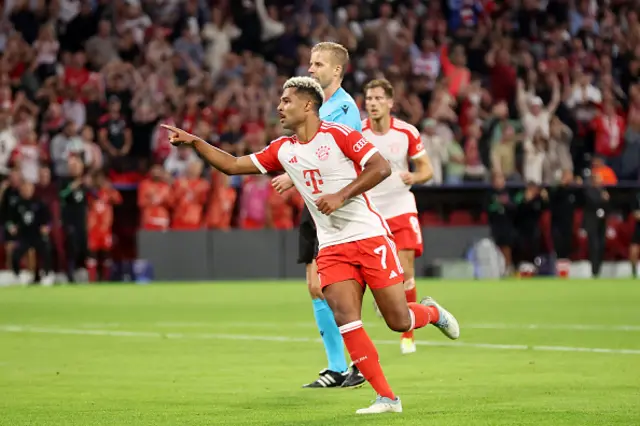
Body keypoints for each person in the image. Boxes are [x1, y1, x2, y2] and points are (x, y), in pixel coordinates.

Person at [161, 76, 460, 414]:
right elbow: (232, 165)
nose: (279, 107)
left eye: (286, 101)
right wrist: (195, 142)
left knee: (398, 320)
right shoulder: (282, 149)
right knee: (346, 317)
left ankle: (432, 312)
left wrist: (342, 194)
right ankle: (387, 397)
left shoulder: (339, 135)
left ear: (307, 105)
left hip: (369, 237)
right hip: (331, 246)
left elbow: (380, 167)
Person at [271, 42, 365, 388]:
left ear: (336, 70)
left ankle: (356, 364)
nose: (311, 69)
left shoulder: (343, 109)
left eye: (318, 64)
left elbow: (331, 154)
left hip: (336, 208)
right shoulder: (319, 106)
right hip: (314, 205)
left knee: (335, 289)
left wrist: (289, 175)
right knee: (316, 287)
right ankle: (339, 366)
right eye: (310, 63)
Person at [360, 79, 434, 354]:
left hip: (401, 206)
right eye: (369, 98)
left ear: (390, 102)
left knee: (405, 271)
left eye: (379, 98)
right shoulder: (358, 132)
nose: (373, 103)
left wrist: (414, 175)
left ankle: (408, 335)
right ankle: (384, 300)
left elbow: (427, 169)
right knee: (374, 272)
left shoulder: (406, 132)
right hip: (370, 211)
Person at [7, 181, 54, 285]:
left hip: (37, 235)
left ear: (32, 190)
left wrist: (46, 227)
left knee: (47, 251)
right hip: (23, 236)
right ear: (21, 190)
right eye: (24, 189)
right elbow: (9, 220)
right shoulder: (16, 204)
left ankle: (46, 274)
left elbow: (49, 220)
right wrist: (11, 227)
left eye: (29, 189)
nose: (27, 191)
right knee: (15, 255)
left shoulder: (39, 203)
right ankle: (18, 276)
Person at [87, 170, 123, 282]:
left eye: (101, 178)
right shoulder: (90, 193)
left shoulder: (107, 192)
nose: (99, 181)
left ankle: (105, 279)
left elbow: (118, 200)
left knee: (106, 254)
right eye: (96, 178)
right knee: (92, 255)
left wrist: (110, 188)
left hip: (105, 229)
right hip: (93, 228)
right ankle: (92, 280)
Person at [60, 155, 89, 283]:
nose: (75, 168)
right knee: (71, 245)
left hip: (82, 219)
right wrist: (71, 188)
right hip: (70, 219)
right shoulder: (64, 182)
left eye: (77, 166)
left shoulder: (84, 183)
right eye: (72, 166)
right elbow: (60, 195)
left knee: (83, 245)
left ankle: (81, 271)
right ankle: (69, 272)